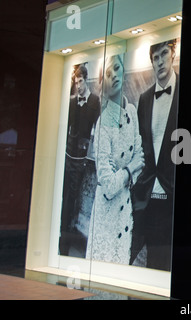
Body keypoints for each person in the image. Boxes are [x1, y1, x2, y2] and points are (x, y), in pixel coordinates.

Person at [86, 54, 145, 265]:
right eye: (108, 74)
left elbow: (141, 159)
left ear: (124, 71)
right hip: (106, 213)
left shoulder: (132, 111)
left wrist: (124, 172)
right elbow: (108, 185)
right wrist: (129, 169)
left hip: (125, 209)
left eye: (117, 69)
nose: (114, 76)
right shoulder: (103, 125)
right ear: (104, 83)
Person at [130, 39, 179, 271]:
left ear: (173, 53)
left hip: (173, 195)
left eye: (164, 53)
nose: (160, 61)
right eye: (155, 57)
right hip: (148, 194)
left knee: (170, 263)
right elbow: (141, 145)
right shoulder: (144, 98)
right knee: (146, 263)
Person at [60, 65, 100, 256]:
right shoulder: (72, 101)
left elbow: (95, 132)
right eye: (76, 83)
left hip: (81, 158)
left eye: (80, 82)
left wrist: (89, 155)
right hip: (68, 154)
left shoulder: (95, 101)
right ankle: (63, 233)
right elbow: (66, 126)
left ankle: (66, 236)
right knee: (64, 195)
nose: (78, 86)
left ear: (86, 79)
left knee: (73, 198)